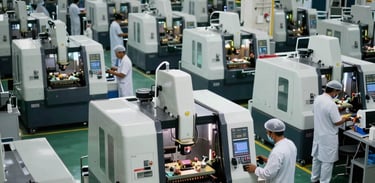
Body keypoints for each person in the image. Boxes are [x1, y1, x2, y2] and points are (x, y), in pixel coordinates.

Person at [311, 80, 351, 183]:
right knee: (327, 162)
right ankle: (324, 181)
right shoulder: (331, 104)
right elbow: (337, 122)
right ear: (334, 91)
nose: (337, 95)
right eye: (337, 92)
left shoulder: (318, 99)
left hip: (318, 135)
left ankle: (314, 179)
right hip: (328, 137)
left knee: (317, 158)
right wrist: (346, 118)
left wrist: (337, 110)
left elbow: (319, 112)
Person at [244, 118, 297, 183]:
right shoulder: (290, 144)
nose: (267, 134)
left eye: (267, 132)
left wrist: (254, 169)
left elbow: (267, 174)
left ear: (272, 133)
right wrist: (268, 161)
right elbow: (284, 162)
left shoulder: (277, 152)